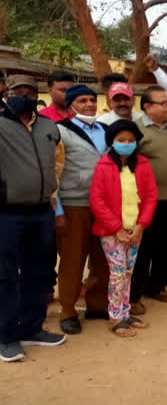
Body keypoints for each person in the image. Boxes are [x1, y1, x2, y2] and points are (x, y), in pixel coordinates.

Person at [0, 75, 66, 362]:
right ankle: (6, 336)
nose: (24, 96)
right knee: (4, 277)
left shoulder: (49, 127)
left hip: (41, 211)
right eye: (17, 91)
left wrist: (53, 197)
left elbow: (57, 163)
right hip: (7, 212)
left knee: (38, 272)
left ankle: (32, 328)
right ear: (7, 92)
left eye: (29, 92)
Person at [128, 86, 167, 314]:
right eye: (163, 102)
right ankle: (134, 294)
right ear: (147, 107)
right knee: (144, 248)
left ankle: (157, 286)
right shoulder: (135, 130)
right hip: (146, 202)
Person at [90, 120, 158, 337]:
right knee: (117, 273)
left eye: (131, 140)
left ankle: (125, 312)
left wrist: (141, 225)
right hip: (112, 232)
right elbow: (97, 200)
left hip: (135, 229)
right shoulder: (103, 166)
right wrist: (116, 228)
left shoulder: (143, 164)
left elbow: (150, 196)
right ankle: (116, 317)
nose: (126, 143)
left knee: (128, 272)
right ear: (112, 142)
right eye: (121, 140)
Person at [55, 85, 110, 334]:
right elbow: (52, 172)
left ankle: (97, 304)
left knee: (102, 257)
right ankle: (68, 310)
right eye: (82, 100)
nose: (89, 104)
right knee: (73, 259)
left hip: (105, 205)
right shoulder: (60, 132)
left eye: (91, 100)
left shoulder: (106, 130)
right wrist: (57, 211)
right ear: (70, 107)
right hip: (74, 204)